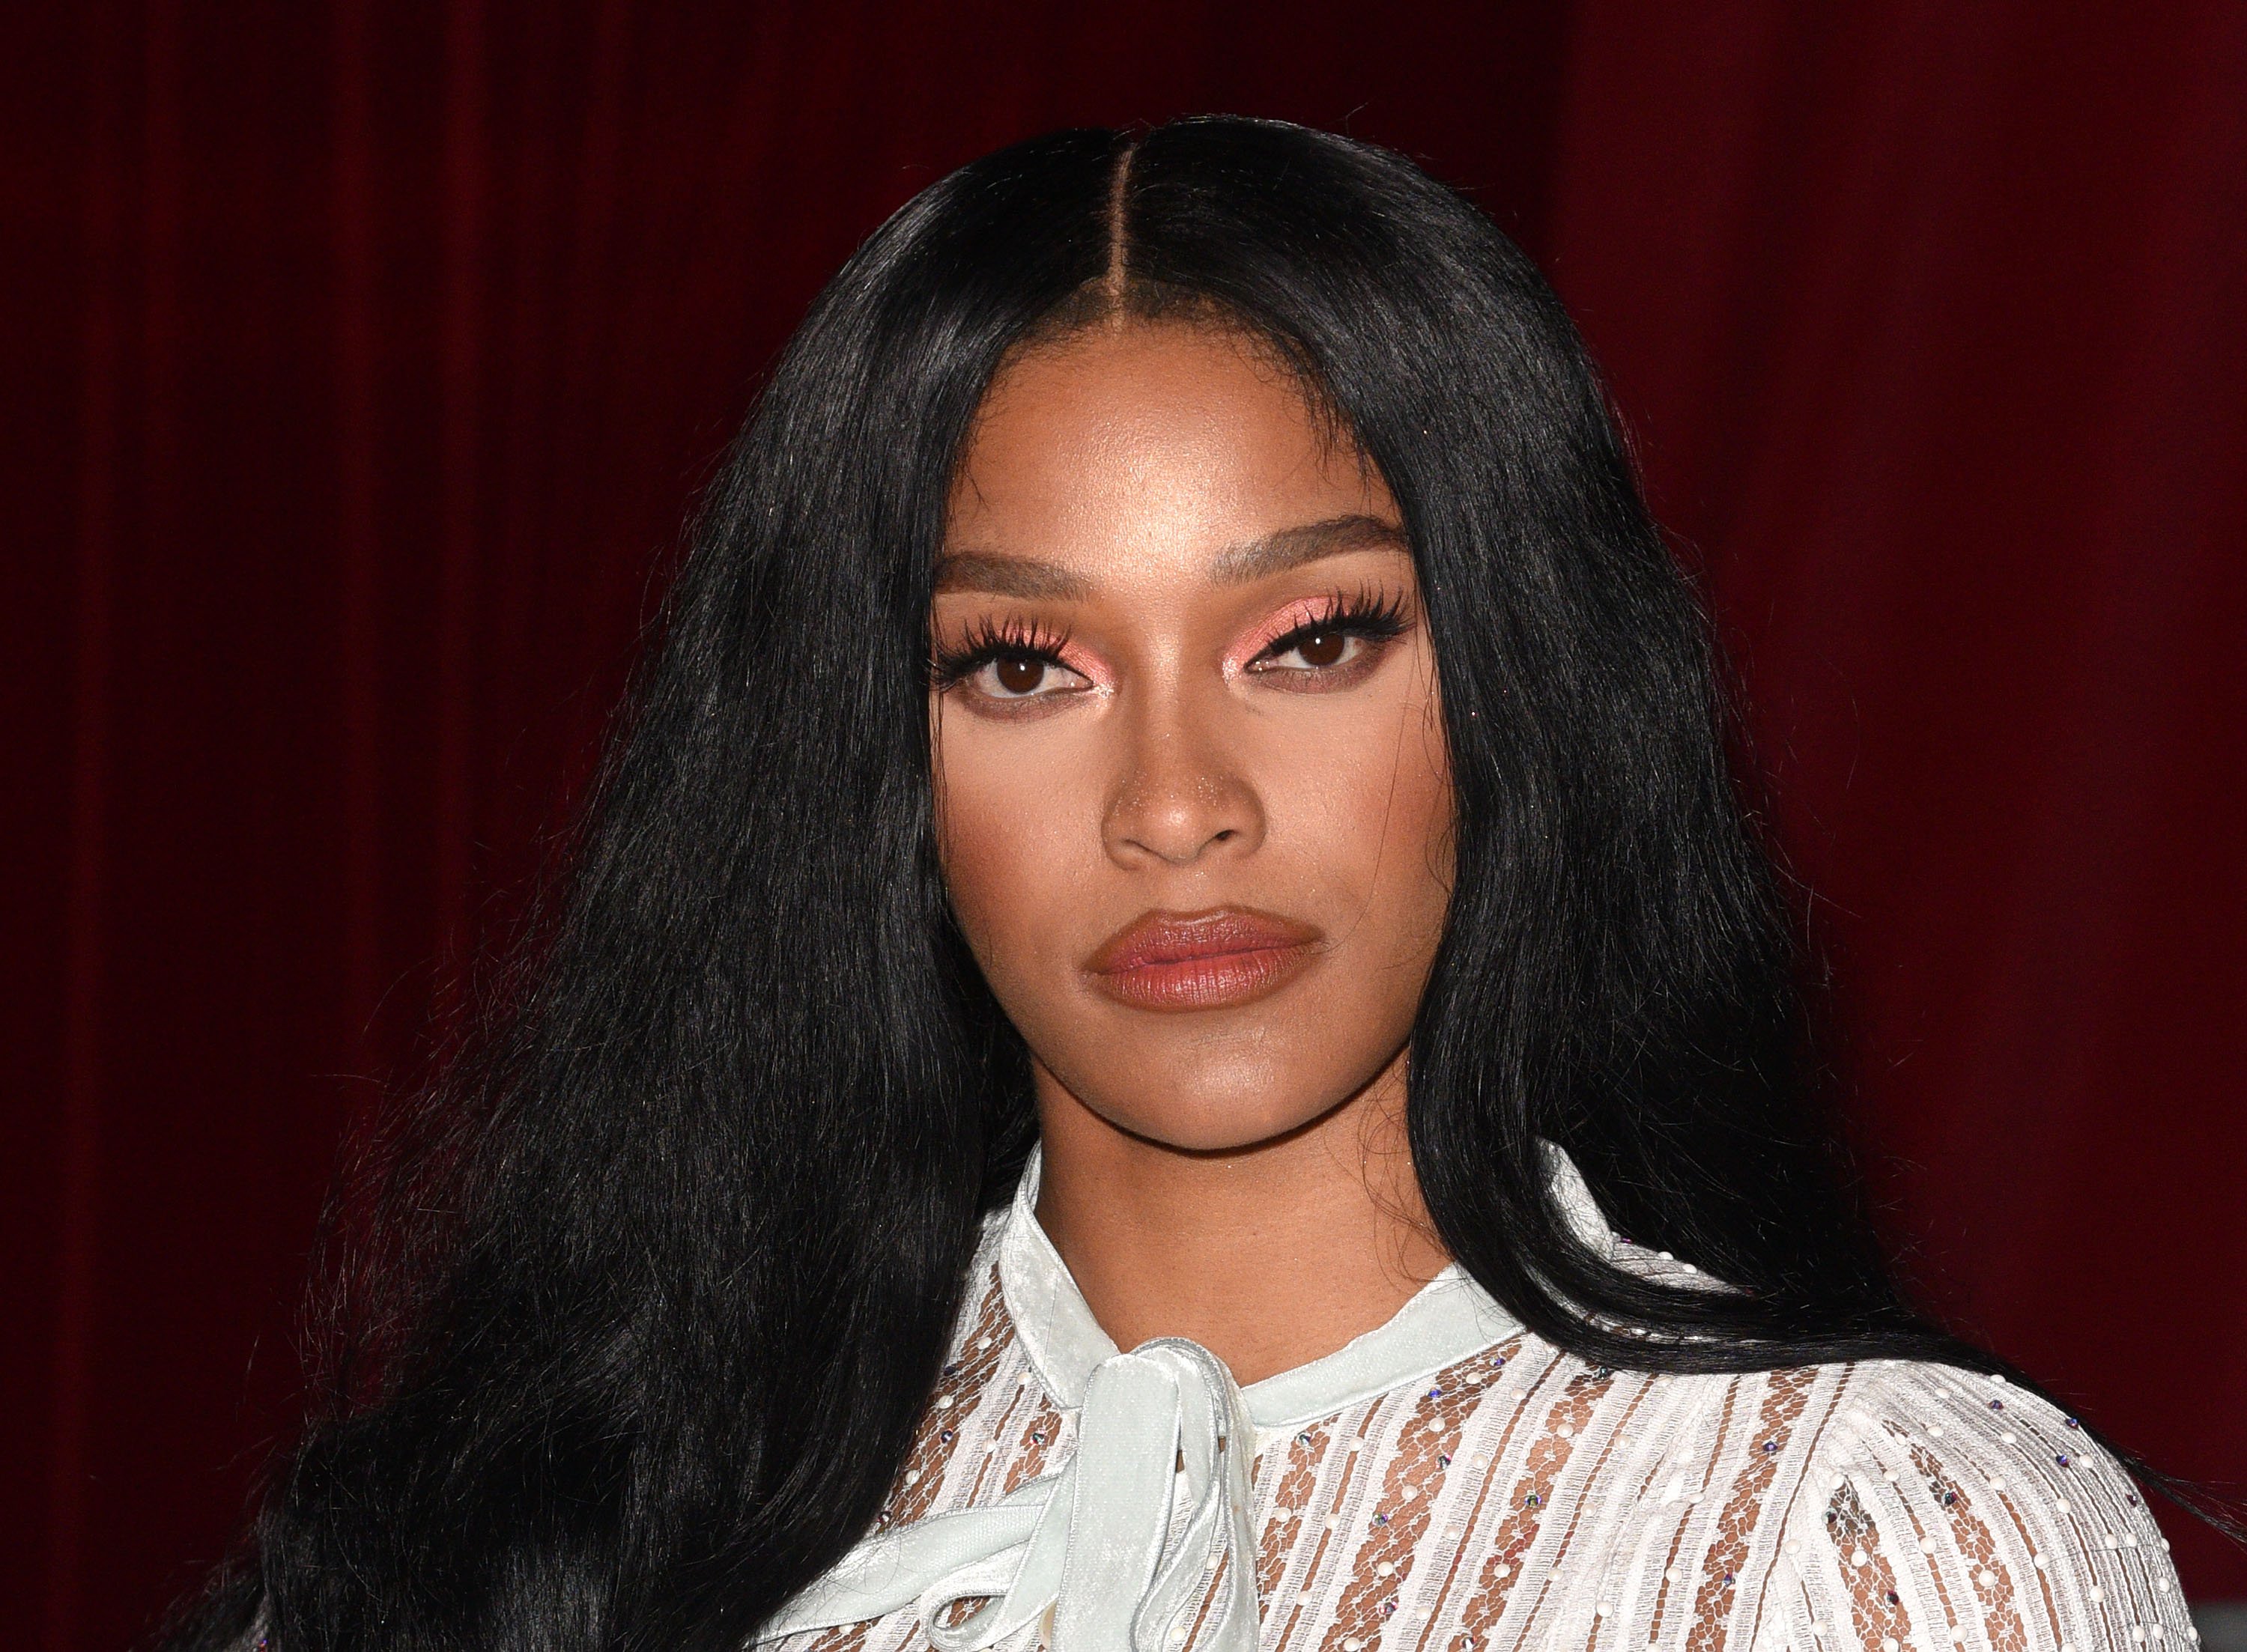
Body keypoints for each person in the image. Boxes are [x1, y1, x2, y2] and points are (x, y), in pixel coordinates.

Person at [172, 118, 2199, 1652]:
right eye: (1024, 666)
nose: (1175, 805)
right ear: (878, 763)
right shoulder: (508, 1541)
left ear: (1515, 679)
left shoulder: (1879, 1544)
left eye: (1309, 638)